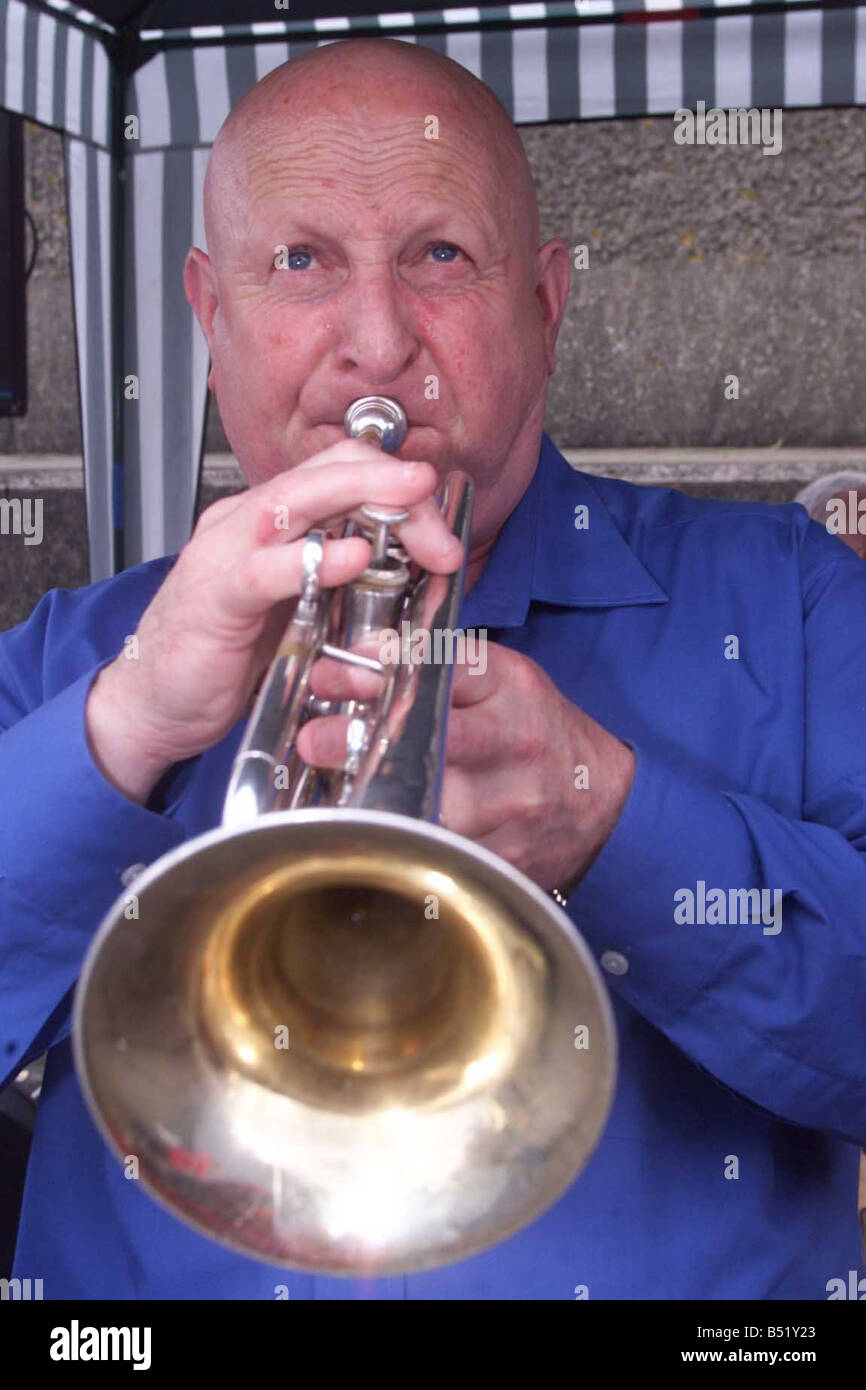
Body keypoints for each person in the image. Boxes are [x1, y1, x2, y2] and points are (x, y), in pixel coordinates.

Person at [2, 38, 865, 1301]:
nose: (374, 341)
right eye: (300, 261)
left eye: (439, 256)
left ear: (545, 300)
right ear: (207, 308)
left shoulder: (789, 603)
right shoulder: (72, 656)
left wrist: (617, 827)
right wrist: (117, 728)